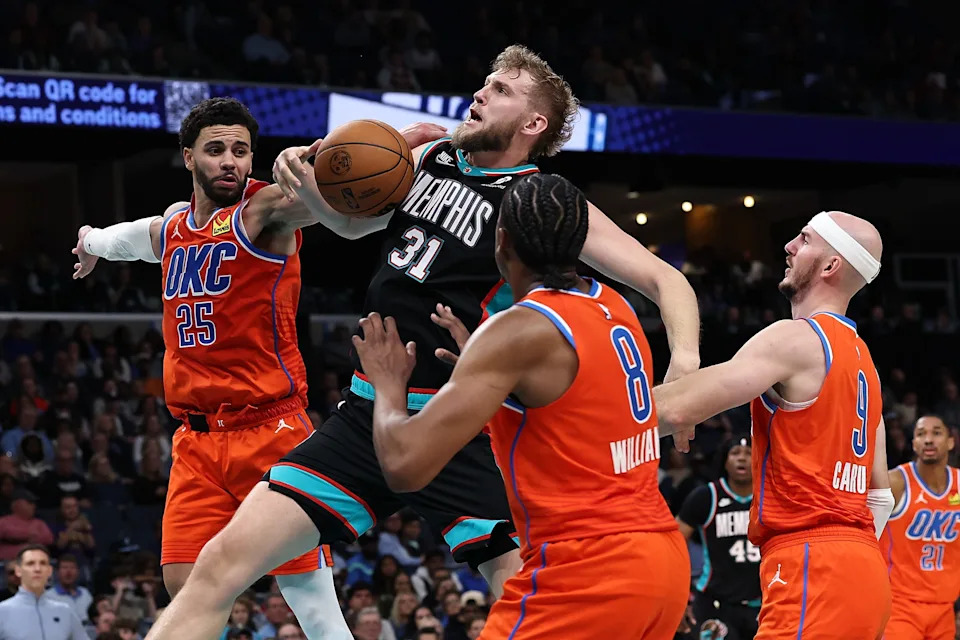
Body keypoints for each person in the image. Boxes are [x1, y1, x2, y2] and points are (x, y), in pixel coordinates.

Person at [144, 46, 699, 640]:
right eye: (484, 83)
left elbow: (665, 278)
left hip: (457, 425)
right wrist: (306, 173)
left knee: (531, 593)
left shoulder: (540, 204)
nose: (480, 94)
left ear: (533, 125)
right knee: (217, 567)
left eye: (502, 90)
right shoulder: (430, 156)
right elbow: (352, 222)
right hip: (365, 414)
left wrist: (685, 362)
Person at [72, 97, 443, 640]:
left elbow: (341, 204)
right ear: (188, 158)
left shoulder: (264, 211)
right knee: (187, 589)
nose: (231, 161)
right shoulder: (176, 227)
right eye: (217, 150)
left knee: (311, 605)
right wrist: (90, 243)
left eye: (241, 151)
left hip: (272, 430)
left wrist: (406, 143)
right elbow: (133, 236)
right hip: (195, 442)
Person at [353, 174, 688, 638]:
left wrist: (388, 385)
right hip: (660, 559)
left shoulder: (517, 330)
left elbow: (403, 466)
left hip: (584, 570)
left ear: (501, 240)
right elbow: (569, 418)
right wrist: (495, 380)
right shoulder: (616, 308)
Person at [655, 211, 894, 638]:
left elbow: (675, 409)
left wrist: (574, 420)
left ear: (830, 266)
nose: (789, 246)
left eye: (804, 239)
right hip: (865, 569)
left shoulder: (794, 337)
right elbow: (880, 496)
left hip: (810, 561)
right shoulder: (865, 362)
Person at [881, 415, 960, 640]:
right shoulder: (896, 482)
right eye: (920, 434)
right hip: (900, 605)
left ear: (950, 441)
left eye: (936, 433)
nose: (928, 439)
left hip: (945, 607)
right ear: (914, 444)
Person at [676, 436, 760, 640]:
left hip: (763, 604)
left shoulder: (771, 497)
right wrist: (677, 598)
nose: (742, 459)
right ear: (724, 460)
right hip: (715, 603)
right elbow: (673, 543)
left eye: (749, 453)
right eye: (735, 453)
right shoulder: (706, 496)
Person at [0, 544, 87, 640]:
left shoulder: (65, 611)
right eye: (30, 563)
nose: (37, 569)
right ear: (18, 571)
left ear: (49, 571)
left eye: (43, 563)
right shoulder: (2, 612)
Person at [46, 554, 93, 624]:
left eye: (72, 567)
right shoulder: (48, 596)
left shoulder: (85, 593)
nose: (68, 571)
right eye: (64, 567)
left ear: (78, 572)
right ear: (58, 572)